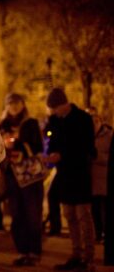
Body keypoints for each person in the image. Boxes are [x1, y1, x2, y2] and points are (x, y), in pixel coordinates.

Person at [46, 88, 96, 271]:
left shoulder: (82, 119)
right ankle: (76, 254)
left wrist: (62, 155)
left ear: (63, 104)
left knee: (83, 216)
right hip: (65, 175)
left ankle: (88, 258)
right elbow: (52, 142)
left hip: (80, 174)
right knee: (70, 215)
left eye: (55, 109)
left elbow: (86, 147)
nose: (54, 112)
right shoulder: (56, 121)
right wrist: (52, 154)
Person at [0, 93, 44, 266]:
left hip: (30, 176)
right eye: (10, 103)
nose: (14, 106)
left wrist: (19, 145)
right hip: (12, 176)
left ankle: (34, 252)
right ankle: (22, 251)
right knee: (16, 214)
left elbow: (38, 147)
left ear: (23, 104)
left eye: (17, 103)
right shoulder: (2, 125)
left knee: (32, 214)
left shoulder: (30, 123)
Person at [89, 106, 112, 243]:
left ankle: (106, 234)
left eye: (96, 122)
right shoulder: (87, 137)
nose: (94, 125)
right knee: (94, 209)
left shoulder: (109, 136)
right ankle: (97, 234)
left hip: (104, 179)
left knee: (105, 210)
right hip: (91, 180)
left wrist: (97, 158)